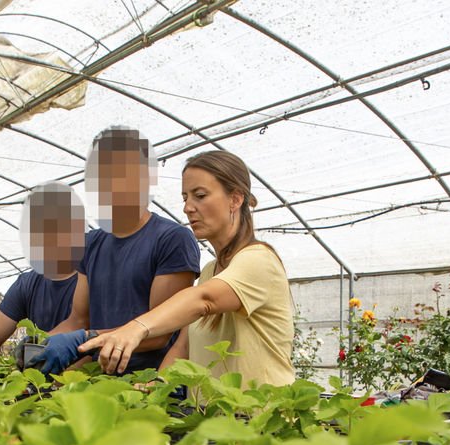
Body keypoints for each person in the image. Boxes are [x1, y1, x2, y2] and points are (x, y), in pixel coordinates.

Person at [78, 150, 295, 386]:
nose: (188, 208)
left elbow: (203, 299)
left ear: (235, 199)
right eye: (185, 198)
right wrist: (156, 387)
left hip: (260, 416)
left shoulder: (259, 260)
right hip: (214, 417)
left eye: (200, 195)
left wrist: (135, 328)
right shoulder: (211, 271)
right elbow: (183, 347)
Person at [30, 127, 200, 374]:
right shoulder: (90, 244)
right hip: (99, 377)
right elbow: (78, 319)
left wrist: (83, 341)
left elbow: (160, 333)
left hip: (151, 384)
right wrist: (40, 345)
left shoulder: (172, 239)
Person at [0, 182, 85, 368]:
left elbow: (102, 341)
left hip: (87, 386)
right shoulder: (28, 284)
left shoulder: (96, 278)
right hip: (40, 385)